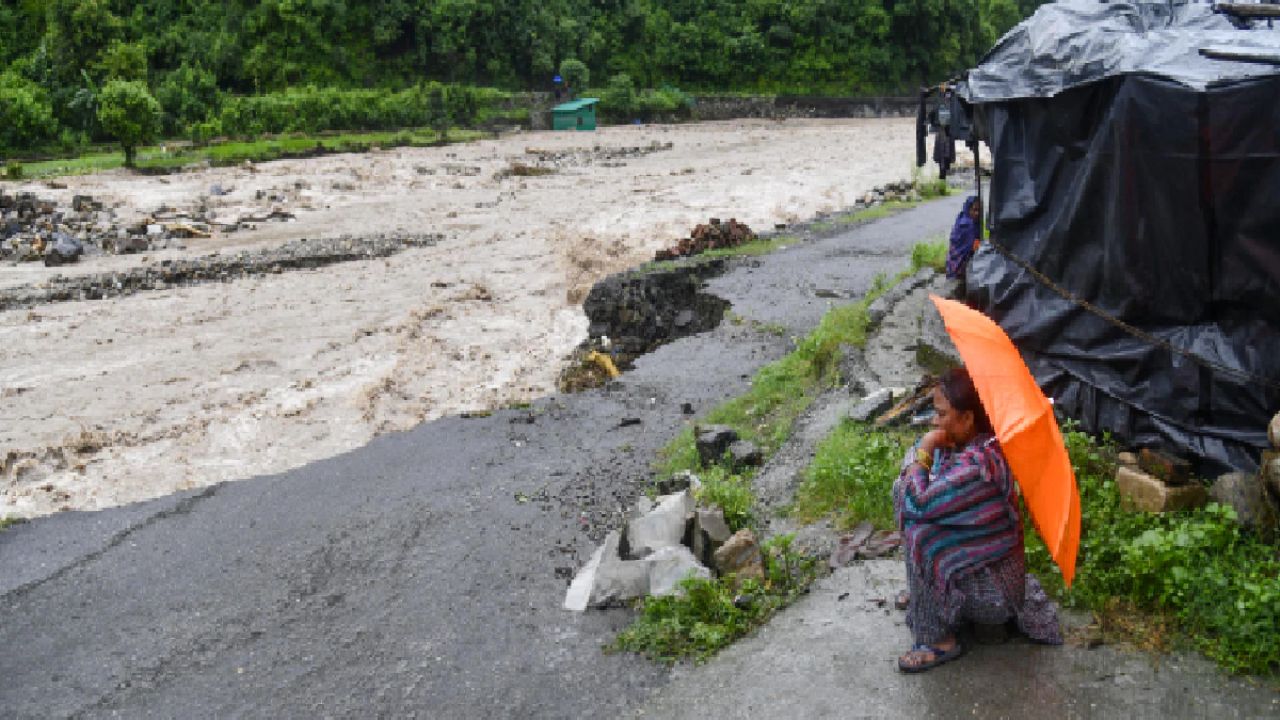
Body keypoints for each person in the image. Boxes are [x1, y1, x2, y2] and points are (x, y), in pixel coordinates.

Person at [893, 367, 1062, 673]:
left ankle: (939, 640)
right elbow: (914, 489)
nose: (934, 421)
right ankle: (926, 594)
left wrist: (924, 449)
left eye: (942, 414)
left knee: (922, 531)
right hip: (977, 567)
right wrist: (923, 457)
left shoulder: (979, 467)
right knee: (903, 490)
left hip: (994, 593)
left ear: (968, 418)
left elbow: (918, 502)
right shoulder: (968, 445)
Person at [946, 196, 982, 297]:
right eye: (974, 210)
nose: (977, 213)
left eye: (979, 210)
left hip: (951, 263)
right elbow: (971, 247)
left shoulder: (961, 216)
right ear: (968, 208)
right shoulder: (968, 225)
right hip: (959, 265)